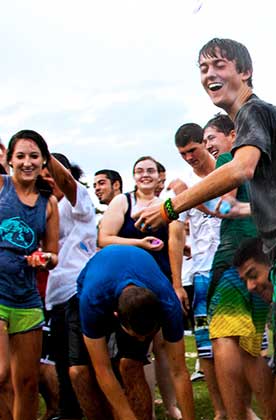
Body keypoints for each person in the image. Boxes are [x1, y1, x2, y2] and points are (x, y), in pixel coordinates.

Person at [136, 37, 276, 420]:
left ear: (244, 71)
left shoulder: (253, 111)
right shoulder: (260, 118)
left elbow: (241, 168)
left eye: (218, 65)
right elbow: (239, 204)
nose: (209, 74)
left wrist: (170, 206)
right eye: (202, 69)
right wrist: (202, 201)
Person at [95, 156, 182, 418]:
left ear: (159, 175)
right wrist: (140, 244)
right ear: (133, 177)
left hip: (160, 282)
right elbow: (104, 239)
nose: (145, 175)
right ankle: (147, 408)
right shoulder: (124, 201)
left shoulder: (168, 205)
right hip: (129, 287)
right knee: (138, 350)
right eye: (139, 171)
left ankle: (171, 405)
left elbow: (175, 245)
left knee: (163, 348)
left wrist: (177, 285)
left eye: (150, 170)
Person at [69, 245, 195, 420]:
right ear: (116, 316)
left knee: (130, 365)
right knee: (79, 372)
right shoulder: (92, 301)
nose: (143, 340)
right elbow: (102, 369)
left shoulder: (168, 303)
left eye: (148, 335)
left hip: (140, 284)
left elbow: (179, 371)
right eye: (137, 335)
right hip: (95, 289)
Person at [202, 113, 269, 420]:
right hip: (262, 258)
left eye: (210, 138)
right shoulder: (265, 164)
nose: (208, 146)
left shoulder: (230, 158)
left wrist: (207, 202)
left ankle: (236, 416)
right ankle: (268, 414)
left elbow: (225, 205)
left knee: (225, 336)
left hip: (234, 258)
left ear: (232, 135)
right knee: (252, 346)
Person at [0, 129, 60, 419]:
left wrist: (45, 259)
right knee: (0, 374)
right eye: (20, 156)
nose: (27, 162)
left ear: (43, 161)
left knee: (27, 382)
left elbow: (53, 254)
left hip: (27, 298)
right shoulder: (0, 187)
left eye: (34, 156)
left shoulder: (48, 203)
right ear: (9, 160)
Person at [168, 122, 226, 419]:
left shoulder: (227, 170)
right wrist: (177, 283)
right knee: (206, 349)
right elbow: (175, 236)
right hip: (201, 273)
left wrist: (189, 194)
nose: (189, 158)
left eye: (192, 150)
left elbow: (233, 210)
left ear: (205, 143)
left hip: (235, 267)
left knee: (250, 344)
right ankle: (220, 410)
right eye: (183, 154)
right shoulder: (182, 183)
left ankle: (246, 406)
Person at [40, 152, 97, 420]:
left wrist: (41, 149)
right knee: (62, 363)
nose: (47, 180)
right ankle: (69, 413)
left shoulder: (78, 200)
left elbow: (67, 180)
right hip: (55, 296)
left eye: (49, 174)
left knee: (79, 364)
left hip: (79, 289)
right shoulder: (43, 208)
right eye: (43, 177)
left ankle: (96, 412)